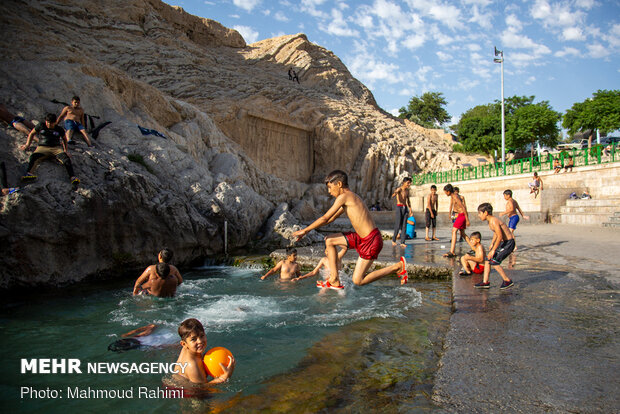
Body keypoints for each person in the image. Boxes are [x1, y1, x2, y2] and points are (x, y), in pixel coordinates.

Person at [292, 170, 408, 288]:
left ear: (339, 184)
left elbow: (325, 218)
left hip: (371, 241)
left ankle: (397, 267)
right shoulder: (350, 197)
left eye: (330, 187)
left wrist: (305, 230)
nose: (329, 192)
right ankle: (334, 279)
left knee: (358, 280)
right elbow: (331, 219)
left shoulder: (344, 197)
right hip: (362, 238)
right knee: (329, 240)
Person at [20, 113, 80, 186]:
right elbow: (32, 133)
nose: (49, 125)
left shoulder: (59, 129)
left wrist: (65, 151)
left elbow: (64, 140)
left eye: (51, 123)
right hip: (42, 147)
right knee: (34, 157)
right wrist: (27, 144)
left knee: (66, 159)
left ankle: (72, 177)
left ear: (55, 122)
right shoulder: (41, 125)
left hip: (56, 148)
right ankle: (29, 174)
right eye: (47, 122)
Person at [172, 318, 235, 385]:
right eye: (193, 339)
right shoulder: (192, 365)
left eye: (202, 336)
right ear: (184, 344)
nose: (200, 341)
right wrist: (224, 377)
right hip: (186, 392)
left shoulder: (189, 348)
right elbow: (202, 390)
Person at [474, 203, 515, 289]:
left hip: (508, 243)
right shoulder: (490, 221)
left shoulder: (494, 220)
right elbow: (496, 233)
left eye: (479, 213)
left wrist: (493, 250)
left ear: (485, 213)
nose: (479, 215)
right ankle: (485, 282)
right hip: (503, 243)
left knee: (494, 261)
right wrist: (492, 243)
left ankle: (507, 281)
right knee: (487, 259)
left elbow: (500, 236)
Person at [443, 184, 469, 258]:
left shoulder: (455, 196)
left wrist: (467, 219)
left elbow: (463, 207)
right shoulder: (452, 196)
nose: (445, 193)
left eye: (445, 192)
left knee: (454, 231)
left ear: (448, 191)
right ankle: (474, 248)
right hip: (460, 215)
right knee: (462, 233)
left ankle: (452, 251)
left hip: (461, 215)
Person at [391, 177, 412, 247]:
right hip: (399, 207)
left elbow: (408, 200)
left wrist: (410, 208)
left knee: (404, 225)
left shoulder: (407, 191)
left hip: (405, 207)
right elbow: (394, 194)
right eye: (408, 183)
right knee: (397, 224)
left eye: (409, 183)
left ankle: (403, 242)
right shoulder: (399, 189)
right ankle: (393, 240)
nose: (409, 184)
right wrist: (395, 193)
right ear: (404, 182)